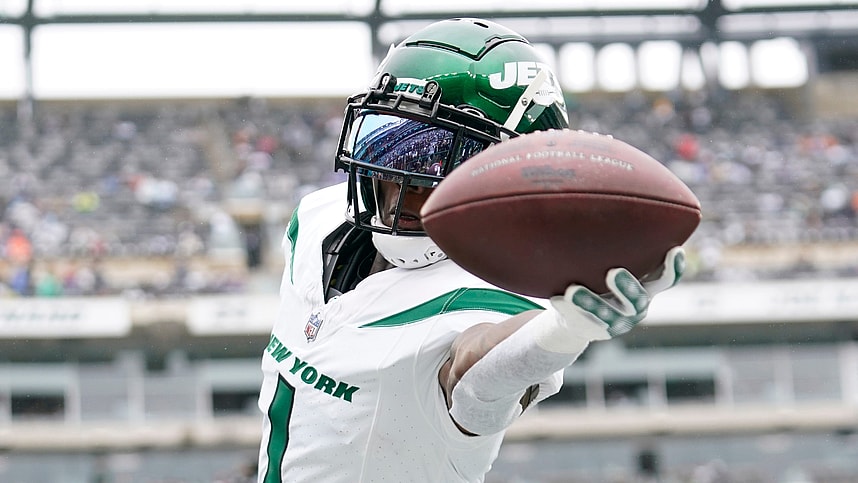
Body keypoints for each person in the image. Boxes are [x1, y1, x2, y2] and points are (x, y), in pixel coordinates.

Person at [256, 17, 685, 482]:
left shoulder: (489, 295)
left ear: (510, 179)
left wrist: (562, 331)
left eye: (435, 155)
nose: (398, 178)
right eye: (388, 142)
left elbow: (480, 378)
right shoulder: (317, 220)